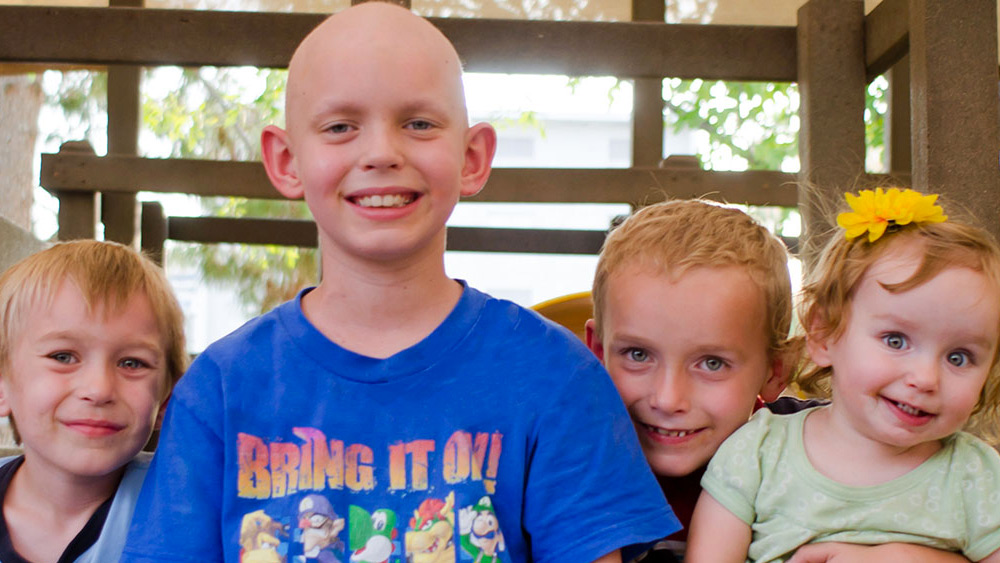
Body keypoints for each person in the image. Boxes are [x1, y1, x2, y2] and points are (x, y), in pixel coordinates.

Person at [121, 3, 679, 562]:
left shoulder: (557, 378)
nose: (382, 153)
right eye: (340, 127)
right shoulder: (219, 391)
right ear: (287, 160)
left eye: (418, 124)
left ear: (472, 157)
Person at [687, 188, 1000, 563]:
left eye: (959, 357)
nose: (926, 378)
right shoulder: (758, 452)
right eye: (896, 340)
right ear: (824, 333)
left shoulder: (977, 477)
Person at [585, 200, 798, 562]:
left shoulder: (823, 460)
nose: (668, 399)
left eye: (712, 363)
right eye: (638, 355)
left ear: (776, 371)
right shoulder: (561, 464)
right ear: (598, 353)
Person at [0, 240, 186, 563]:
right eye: (63, 356)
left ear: (166, 398)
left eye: (132, 363)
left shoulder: (185, 510)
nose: (99, 390)